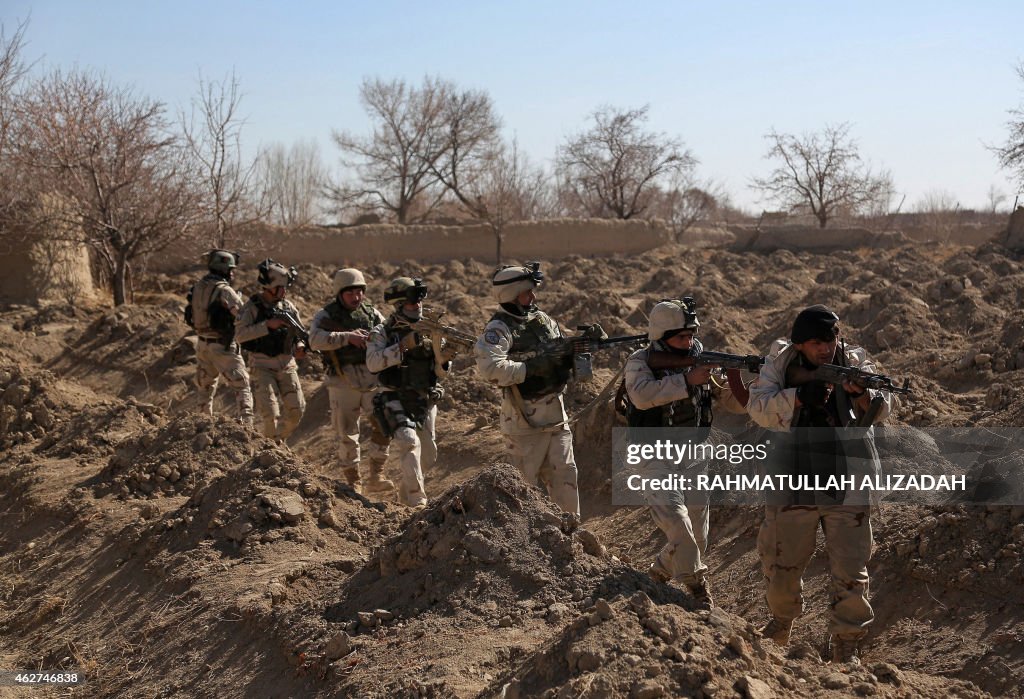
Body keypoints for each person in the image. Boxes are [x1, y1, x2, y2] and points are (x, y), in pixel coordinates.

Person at [747, 304, 891, 664]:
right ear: (799, 345)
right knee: (782, 563)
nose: (826, 348)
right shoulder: (780, 363)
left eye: (830, 339)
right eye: (816, 343)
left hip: (846, 478)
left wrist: (861, 395)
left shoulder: (855, 361)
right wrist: (797, 397)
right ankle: (782, 623)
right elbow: (758, 407)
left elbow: (883, 406)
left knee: (851, 566)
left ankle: (847, 641)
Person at [622, 298, 744, 609]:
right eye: (681, 337)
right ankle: (697, 587)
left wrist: (741, 384)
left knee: (698, 535)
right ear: (661, 337)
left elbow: (725, 399)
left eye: (691, 336)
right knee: (677, 522)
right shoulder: (641, 361)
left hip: (693, 452)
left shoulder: (699, 355)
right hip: (652, 453)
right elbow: (641, 396)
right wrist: (686, 381)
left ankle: (660, 573)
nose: (688, 343)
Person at [474, 262, 580, 518]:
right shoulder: (499, 328)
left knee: (566, 479)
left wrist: (577, 348)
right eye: (526, 292)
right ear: (510, 295)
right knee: (522, 491)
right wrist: (531, 368)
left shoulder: (541, 319)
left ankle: (572, 540)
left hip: (555, 414)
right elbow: (490, 368)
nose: (533, 297)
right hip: (524, 420)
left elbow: (558, 347)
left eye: (533, 291)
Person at [366, 277, 456, 507]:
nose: (417, 305)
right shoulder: (383, 331)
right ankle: (418, 500)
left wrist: (444, 360)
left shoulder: (431, 329)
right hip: (394, 396)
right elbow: (373, 363)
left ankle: (405, 495)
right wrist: (403, 346)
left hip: (424, 399)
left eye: (419, 300)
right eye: (410, 302)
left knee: (428, 455)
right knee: (408, 442)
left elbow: (440, 371)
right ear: (398, 305)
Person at [308, 268, 392, 494]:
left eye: (359, 292)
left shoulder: (372, 313)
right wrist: (347, 338)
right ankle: (353, 480)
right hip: (343, 380)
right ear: (339, 293)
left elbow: (387, 334)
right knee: (346, 432)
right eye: (350, 293)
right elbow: (314, 340)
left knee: (385, 424)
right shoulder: (326, 315)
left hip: (371, 378)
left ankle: (376, 474)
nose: (356, 298)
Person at [235, 259, 306, 440]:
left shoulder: (288, 306)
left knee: (297, 411)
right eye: (279, 287)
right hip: (262, 365)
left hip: (287, 365)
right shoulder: (251, 307)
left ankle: (277, 442)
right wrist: (267, 325)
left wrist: (300, 345)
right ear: (268, 287)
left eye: (285, 288)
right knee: (270, 415)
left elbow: (299, 332)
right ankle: (269, 449)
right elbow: (239, 335)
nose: (283, 292)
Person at [186, 249, 253, 426]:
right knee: (242, 386)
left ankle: (202, 426)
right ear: (223, 269)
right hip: (222, 346)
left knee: (205, 390)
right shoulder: (224, 290)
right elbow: (242, 316)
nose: (232, 273)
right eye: (231, 269)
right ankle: (247, 430)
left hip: (202, 344)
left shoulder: (198, 286)